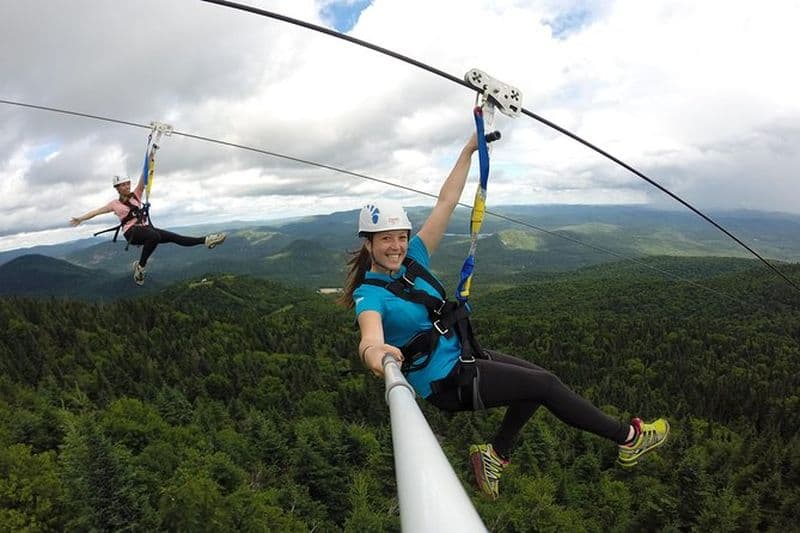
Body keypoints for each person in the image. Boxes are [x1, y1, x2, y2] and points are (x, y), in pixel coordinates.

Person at [341, 132, 669, 500]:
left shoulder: (414, 258)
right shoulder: (369, 294)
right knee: (543, 387)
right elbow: (368, 339)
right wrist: (378, 356)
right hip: (445, 382)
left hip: (464, 354)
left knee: (540, 381)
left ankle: (494, 455)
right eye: (386, 239)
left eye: (400, 236)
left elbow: (446, 202)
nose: (397, 246)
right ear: (368, 244)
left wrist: (467, 151)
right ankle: (629, 437)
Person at [70, 173, 226, 285]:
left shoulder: (136, 195)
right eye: (122, 185)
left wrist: (151, 153)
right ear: (117, 188)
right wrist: (80, 219)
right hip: (131, 233)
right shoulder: (114, 204)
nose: (126, 187)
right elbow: (96, 212)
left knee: (174, 237)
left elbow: (144, 176)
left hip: (145, 229)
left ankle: (205, 240)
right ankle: (141, 266)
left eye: (127, 184)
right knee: (155, 237)